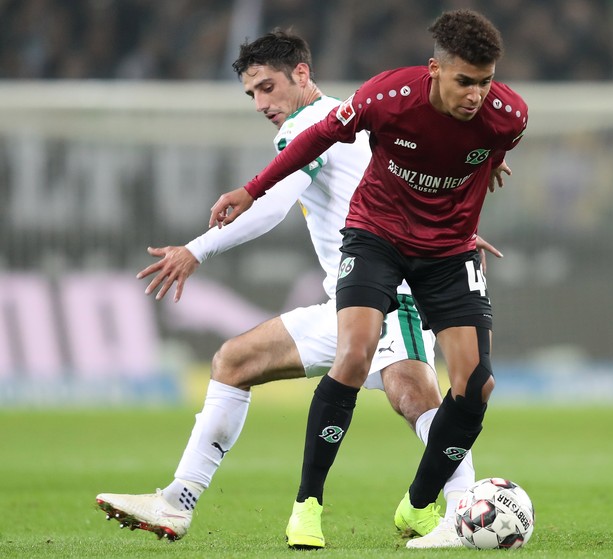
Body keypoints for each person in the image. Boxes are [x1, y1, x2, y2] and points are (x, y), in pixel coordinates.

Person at [95, 28, 500, 549]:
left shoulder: (314, 125)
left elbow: (271, 205)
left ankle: (464, 512)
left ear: (302, 74)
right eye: (252, 94)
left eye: (267, 87)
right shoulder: (358, 121)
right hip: (350, 299)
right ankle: (178, 500)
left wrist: (196, 249)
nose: (261, 103)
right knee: (235, 362)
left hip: (391, 289)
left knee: (418, 401)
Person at [208, 9, 527, 549]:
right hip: (375, 236)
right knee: (354, 355)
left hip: (449, 250)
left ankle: (420, 505)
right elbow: (315, 141)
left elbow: (491, 145)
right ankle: (307, 507)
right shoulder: (388, 97)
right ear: (435, 70)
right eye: (464, 81)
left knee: (476, 386)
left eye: (486, 80)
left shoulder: (509, 117)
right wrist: (252, 190)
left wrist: (487, 162)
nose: (477, 94)